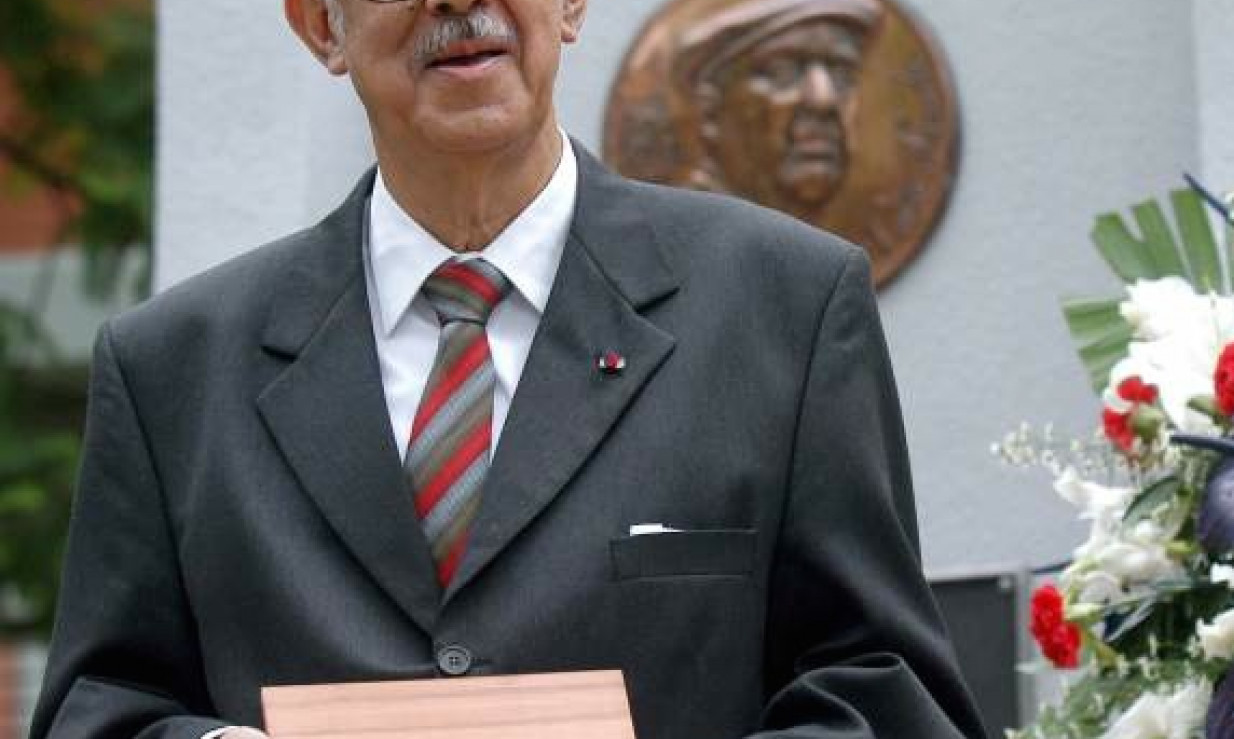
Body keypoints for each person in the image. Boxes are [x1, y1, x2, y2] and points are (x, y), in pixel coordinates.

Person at [28, 0, 985, 737]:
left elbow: (888, 694)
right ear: (321, 23)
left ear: (571, 4)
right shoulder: (171, 368)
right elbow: (98, 708)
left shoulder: (787, 307)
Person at [674, 0, 880, 225]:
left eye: (842, 75)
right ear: (709, 110)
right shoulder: (677, 235)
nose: (824, 99)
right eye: (781, 72)